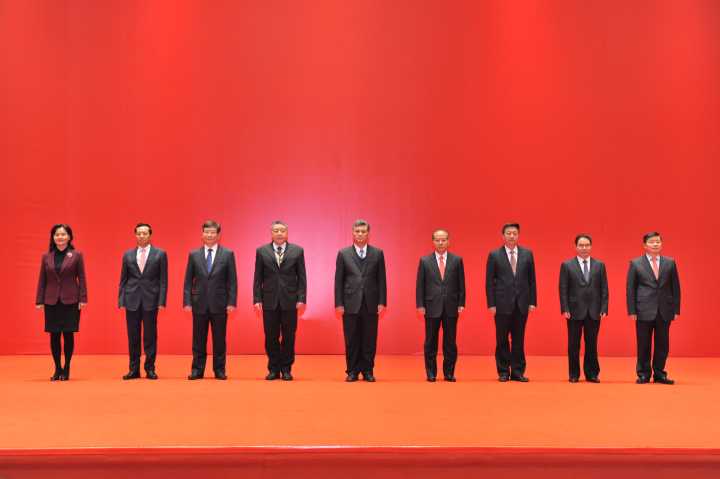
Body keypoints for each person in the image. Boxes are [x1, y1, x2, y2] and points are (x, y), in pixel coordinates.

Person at [183, 220, 237, 380]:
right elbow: (188, 281)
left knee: (219, 340)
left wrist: (231, 302)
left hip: (220, 304)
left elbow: (232, 281)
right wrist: (187, 302)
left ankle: (219, 370)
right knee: (198, 340)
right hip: (198, 303)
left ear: (218, 235)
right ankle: (197, 370)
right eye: (207, 232)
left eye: (213, 232)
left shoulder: (227, 254)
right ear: (202, 234)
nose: (209, 235)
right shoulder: (194, 254)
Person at [253, 221, 307, 381]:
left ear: (287, 233)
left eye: (282, 230)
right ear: (271, 233)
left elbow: (302, 277)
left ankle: (286, 369)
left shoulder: (297, 251)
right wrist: (257, 298)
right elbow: (257, 277)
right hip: (269, 300)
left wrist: (301, 298)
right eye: (276, 230)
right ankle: (273, 369)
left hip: (290, 300)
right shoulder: (261, 251)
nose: (279, 233)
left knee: (289, 336)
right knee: (271, 336)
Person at [334, 219, 387, 382]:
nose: (360, 234)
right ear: (353, 233)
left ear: (368, 234)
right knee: (351, 339)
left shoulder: (377, 253)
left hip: (371, 303)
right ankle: (352, 371)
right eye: (357, 231)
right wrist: (339, 303)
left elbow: (382, 280)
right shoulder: (343, 253)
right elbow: (338, 281)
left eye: (363, 231)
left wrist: (382, 301)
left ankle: (368, 371)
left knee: (369, 339)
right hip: (350, 303)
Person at [626, 232, 681, 385]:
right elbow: (630, 289)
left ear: (661, 244)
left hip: (664, 309)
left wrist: (676, 309)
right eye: (652, 242)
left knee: (662, 344)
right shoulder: (636, 263)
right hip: (643, 309)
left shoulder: (670, 263)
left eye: (658, 241)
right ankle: (643, 374)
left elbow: (676, 287)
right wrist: (632, 310)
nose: (655, 244)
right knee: (643, 344)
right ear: (645, 245)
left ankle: (659, 374)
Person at [485, 223, 537, 382]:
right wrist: (491, 304)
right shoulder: (494, 255)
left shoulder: (527, 254)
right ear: (503, 236)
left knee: (518, 339)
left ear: (518, 235)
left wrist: (532, 301)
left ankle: (517, 372)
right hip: (501, 304)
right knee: (502, 339)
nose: (512, 236)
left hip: (522, 304)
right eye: (508, 233)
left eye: (514, 233)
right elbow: (489, 282)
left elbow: (532, 280)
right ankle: (503, 371)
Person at [35, 224, 87, 381]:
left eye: (63, 234)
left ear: (69, 237)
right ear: (53, 237)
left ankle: (67, 367)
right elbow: (42, 280)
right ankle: (57, 368)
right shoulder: (46, 257)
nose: (60, 237)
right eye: (57, 234)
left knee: (68, 334)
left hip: (71, 300)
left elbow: (82, 278)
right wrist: (39, 300)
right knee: (54, 335)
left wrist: (83, 298)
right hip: (51, 301)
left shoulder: (76, 255)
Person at [118, 223, 168, 380]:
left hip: (151, 300)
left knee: (150, 336)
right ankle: (133, 369)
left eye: (145, 233)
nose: (141, 236)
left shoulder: (160, 254)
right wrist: (121, 299)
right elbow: (123, 280)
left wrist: (161, 301)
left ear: (150, 235)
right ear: (135, 235)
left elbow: (163, 280)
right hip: (131, 299)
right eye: (139, 233)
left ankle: (150, 368)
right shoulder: (128, 255)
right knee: (133, 336)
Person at [415, 229, 466, 382]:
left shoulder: (457, 260)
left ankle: (449, 373)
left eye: (443, 240)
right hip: (431, 306)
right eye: (437, 240)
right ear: (433, 242)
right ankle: (431, 373)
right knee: (430, 341)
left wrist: (461, 303)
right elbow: (420, 285)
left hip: (451, 306)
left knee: (450, 342)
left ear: (448, 241)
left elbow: (461, 284)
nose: (441, 242)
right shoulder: (425, 261)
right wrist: (420, 304)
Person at [558, 234, 608, 383]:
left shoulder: (599, 265)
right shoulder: (567, 265)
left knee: (592, 344)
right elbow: (563, 288)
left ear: (591, 247)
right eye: (581, 245)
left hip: (594, 310)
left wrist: (604, 307)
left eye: (587, 245)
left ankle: (592, 374)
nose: (584, 248)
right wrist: (565, 308)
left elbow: (604, 288)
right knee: (573, 344)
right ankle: (574, 374)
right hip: (574, 310)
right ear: (575, 247)